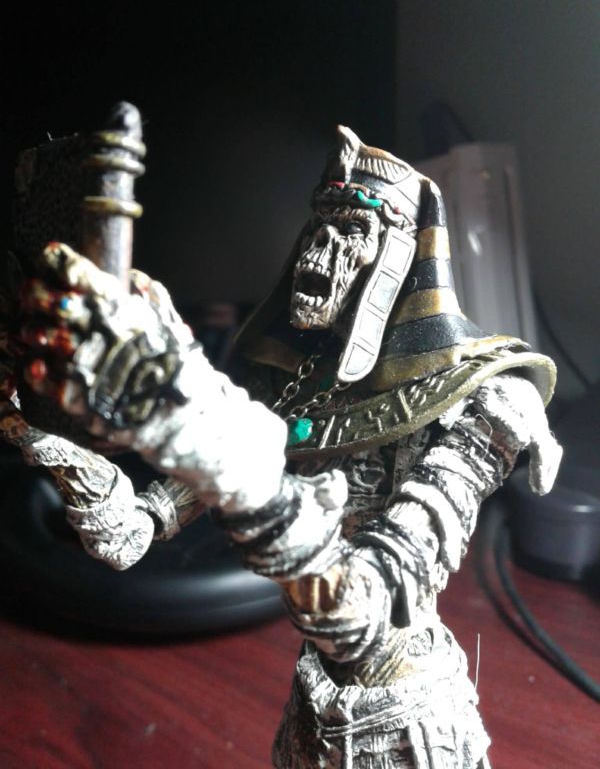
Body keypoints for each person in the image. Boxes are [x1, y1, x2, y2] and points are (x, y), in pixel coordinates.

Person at [1, 126, 561, 768]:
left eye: (350, 231)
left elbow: (361, 610)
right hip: (314, 707)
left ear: (395, 258)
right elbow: (131, 534)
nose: (321, 246)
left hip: (409, 720)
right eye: (319, 225)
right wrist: (35, 429)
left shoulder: (488, 401)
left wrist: (193, 422)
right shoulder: (298, 387)